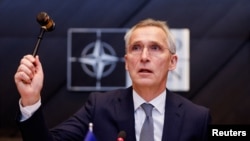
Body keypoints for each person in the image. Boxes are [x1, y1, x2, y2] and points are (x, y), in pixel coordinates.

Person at [14, 18, 211, 141]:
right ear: (126, 62)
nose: (144, 57)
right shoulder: (99, 107)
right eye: (136, 48)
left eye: (155, 48)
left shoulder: (197, 119)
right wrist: (31, 100)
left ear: (173, 61)